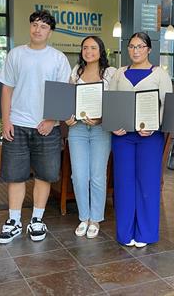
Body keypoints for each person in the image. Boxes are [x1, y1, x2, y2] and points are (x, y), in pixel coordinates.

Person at [0, 9, 71, 244]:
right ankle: (14, 221)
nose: (38, 29)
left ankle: (37, 220)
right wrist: (6, 121)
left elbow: (64, 94)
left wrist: (51, 120)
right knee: (15, 176)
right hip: (17, 124)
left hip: (47, 127)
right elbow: (6, 89)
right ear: (30, 27)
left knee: (44, 175)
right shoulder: (16, 54)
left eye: (44, 26)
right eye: (35, 24)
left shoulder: (58, 58)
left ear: (50, 32)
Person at [109, 32, 172, 248]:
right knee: (124, 184)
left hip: (150, 138)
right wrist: (113, 123)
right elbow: (112, 103)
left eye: (140, 46)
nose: (136, 51)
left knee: (148, 184)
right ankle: (125, 233)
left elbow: (167, 105)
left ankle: (145, 233)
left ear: (149, 49)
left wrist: (155, 126)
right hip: (123, 138)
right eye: (132, 46)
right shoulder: (119, 74)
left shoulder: (159, 74)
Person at [65, 36, 116, 239]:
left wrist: (102, 119)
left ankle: (95, 218)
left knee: (97, 175)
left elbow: (115, 102)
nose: (89, 51)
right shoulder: (76, 71)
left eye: (93, 47)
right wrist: (67, 118)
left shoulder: (110, 73)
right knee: (78, 175)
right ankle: (83, 217)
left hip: (100, 130)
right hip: (77, 129)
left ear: (101, 50)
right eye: (85, 48)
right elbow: (68, 100)